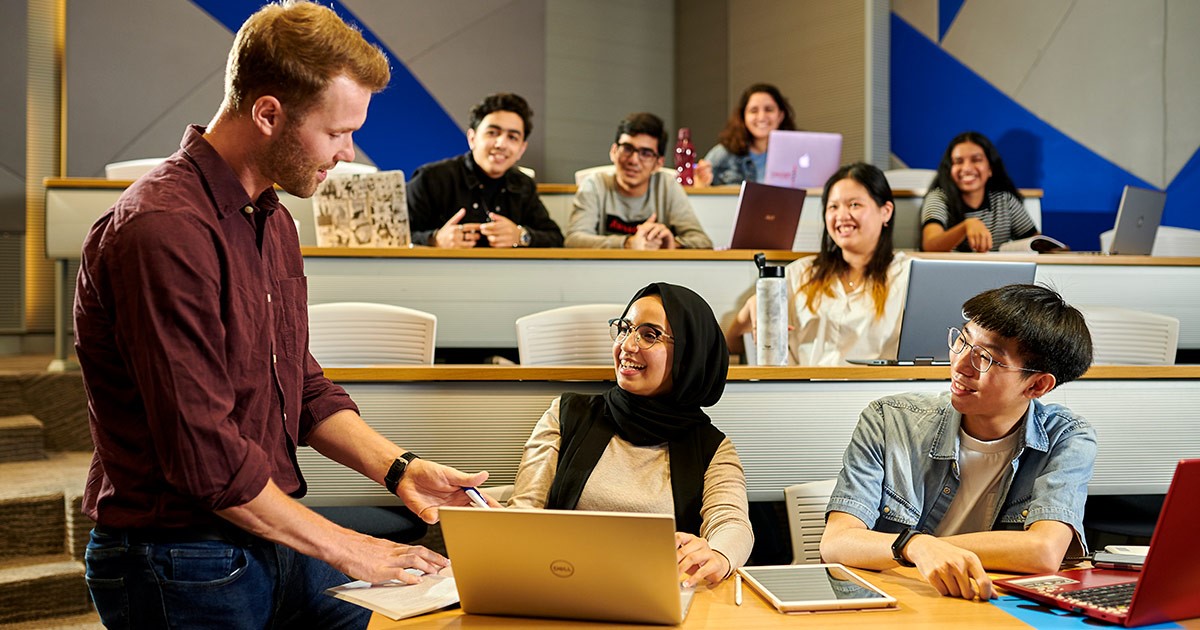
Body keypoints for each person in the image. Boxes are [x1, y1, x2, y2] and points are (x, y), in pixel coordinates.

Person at [73, 4, 497, 628]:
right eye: (337, 133)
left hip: (268, 530)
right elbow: (206, 457)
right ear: (268, 114)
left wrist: (400, 469)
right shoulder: (162, 229)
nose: (348, 153)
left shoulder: (272, 218)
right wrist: (350, 547)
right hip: (179, 552)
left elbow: (300, 385)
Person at [820, 284, 1096, 601]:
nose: (961, 365)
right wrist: (916, 546)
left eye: (986, 358)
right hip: (901, 603)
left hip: (991, 606)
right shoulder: (889, 420)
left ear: (1037, 385)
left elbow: (1043, 550)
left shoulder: (1067, 437)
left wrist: (931, 548)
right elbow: (836, 542)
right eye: (963, 341)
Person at [507, 283, 752, 586]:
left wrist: (718, 555)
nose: (627, 345)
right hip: (559, 585)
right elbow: (525, 509)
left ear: (688, 355)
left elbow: (732, 524)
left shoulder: (711, 447)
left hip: (659, 593)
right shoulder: (567, 414)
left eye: (649, 335)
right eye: (624, 329)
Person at [725, 163, 910, 365]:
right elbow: (732, 346)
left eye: (854, 205)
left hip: (880, 385)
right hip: (802, 384)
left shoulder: (907, 276)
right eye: (833, 207)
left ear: (886, 212)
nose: (841, 216)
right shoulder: (800, 273)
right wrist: (749, 311)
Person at [407, 92, 564, 248]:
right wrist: (434, 240)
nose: (501, 144)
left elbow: (555, 238)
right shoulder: (431, 178)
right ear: (472, 138)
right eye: (492, 133)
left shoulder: (523, 185)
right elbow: (396, 235)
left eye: (512, 137)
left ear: (521, 149)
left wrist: (521, 236)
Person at [565, 113, 713, 249]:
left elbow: (703, 241)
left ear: (658, 163)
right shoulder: (594, 184)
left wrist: (671, 244)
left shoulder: (667, 186)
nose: (634, 160)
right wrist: (628, 243)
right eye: (627, 148)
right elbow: (573, 239)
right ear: (614, 151)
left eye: (646, 153)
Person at [921, 131, 1039, 252]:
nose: (967, 168)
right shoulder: (939, 198)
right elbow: (930, 245)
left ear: (990, 168)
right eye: (958, 161)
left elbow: (1036, 242)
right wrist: (966, 226)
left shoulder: (1004, 200)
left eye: (976, 160)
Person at [697, 83, 797, 187]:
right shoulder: (723, 154)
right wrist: (701, 182)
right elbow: (698, 189)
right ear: (743, 116)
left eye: (769, 110)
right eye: (754, 111)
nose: (761, 117)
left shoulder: (795, 154)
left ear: (780, 115)